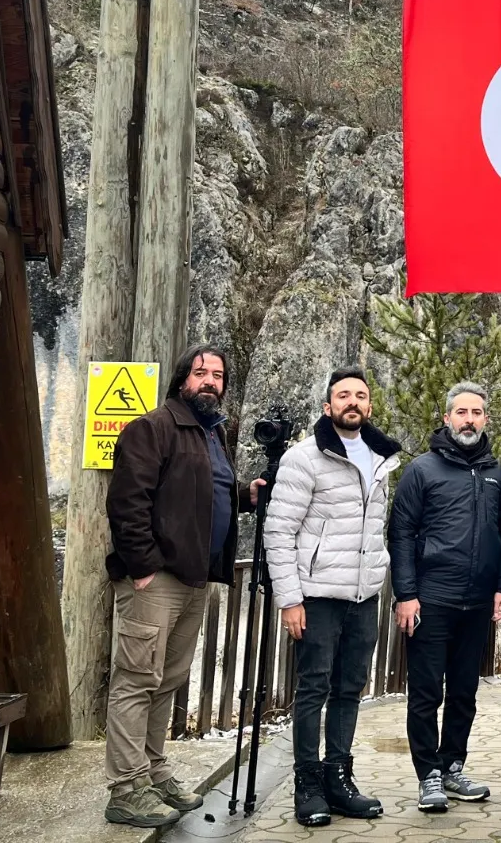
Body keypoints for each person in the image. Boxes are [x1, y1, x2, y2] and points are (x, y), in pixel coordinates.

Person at [103, 345, 263, 829]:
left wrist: (243, 495)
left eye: (218, 375)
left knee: (167, 680)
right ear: (181, 381)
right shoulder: (152, 428)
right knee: (135, 681)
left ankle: (152, 772)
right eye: (201, 373)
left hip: (194, 579)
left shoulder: (212, 435)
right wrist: (144, 567)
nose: (210, 381)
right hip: (157, 581)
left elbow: (199, 493)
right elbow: (128, 502)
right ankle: (126, 789)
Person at [264, 367, 402, 827]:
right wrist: (290, 599)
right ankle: (307, 784)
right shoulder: (305, 457)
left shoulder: (382, 459)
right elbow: (279, 530)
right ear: (328, 406)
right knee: (313, 688)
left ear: (369, 406)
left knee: (349, 689)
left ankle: (339, 779)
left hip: (363, 595)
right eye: (343, 395)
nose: (353, 402)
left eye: (361, 396)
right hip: (317, 594)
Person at [388, 382, 501, 814]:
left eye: (477, 413)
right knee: (426, 693)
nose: (469, 420)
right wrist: (406, 594)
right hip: (431, 599)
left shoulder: (496, 473)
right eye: (461, 412)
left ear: (485, 420)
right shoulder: (421, 470)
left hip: (477, 602)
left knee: (464, 692)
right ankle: (429, 776)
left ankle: (453, 765)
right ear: (447, 419)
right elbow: (400, 535)